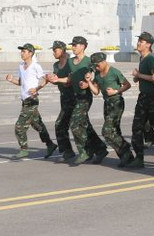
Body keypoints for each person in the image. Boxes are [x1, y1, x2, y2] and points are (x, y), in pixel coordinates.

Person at [47, 36, 108, 165]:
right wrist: (57, 79)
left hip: (84, 97)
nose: (73, 47)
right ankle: (100, 149)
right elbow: (70, 78)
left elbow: (96, 76)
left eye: (75, 45)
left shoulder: (89, 61)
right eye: (72, 45)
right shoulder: (70, 62)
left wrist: (89, 83)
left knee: (75, 124)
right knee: (83, 125)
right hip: (74, 97)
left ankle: (84, 151)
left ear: (83, 46)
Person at [6, 43, 57, 159]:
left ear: (30, 53)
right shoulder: (21, 66)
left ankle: (24, 149)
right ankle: (50, 144)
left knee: (19, 126)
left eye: (24, 51)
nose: (22, 53)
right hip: (25, 100)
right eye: (21, 51)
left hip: (32, 100)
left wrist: (36, 89)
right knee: (37, 124)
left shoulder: (35, 66)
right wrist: (11, 80)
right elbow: (21, 82)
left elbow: (45, 80)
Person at [85, 52, 133, 166]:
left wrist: (116, 91)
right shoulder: (97, 74)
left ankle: (125, 148)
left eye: (97, 65)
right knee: (115, 131)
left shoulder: (114, 72)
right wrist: (89, 81)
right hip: (107, 104)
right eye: (94, 66)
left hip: (116, 102)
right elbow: (96, 91)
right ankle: (126, 157)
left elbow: (127, 85)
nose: (96, 68)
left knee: (106, 131)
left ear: (103, 62)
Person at [127, 32, 154, 169]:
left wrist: (139, 75)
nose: (138, 43)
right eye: (139, 41)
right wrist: (138, 77)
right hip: (144, 97)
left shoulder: (151, 59)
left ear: (148, 45)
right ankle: (139, 158)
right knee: (137, 127)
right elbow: (143, 77)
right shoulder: (142, 58)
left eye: (141, 41)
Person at [50, 40, 76, 160]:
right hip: (64, 97)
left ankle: (69, 151)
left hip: (74, 97)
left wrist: (59, 80)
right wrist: (52, 79)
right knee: (68, 125)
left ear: (63, 50)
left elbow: (71, 79)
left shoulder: (71, 63)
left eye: (55, 50)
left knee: (62, 124)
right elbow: (57, 80)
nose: (53, 52)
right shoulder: (56, 65)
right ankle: (68, 151)